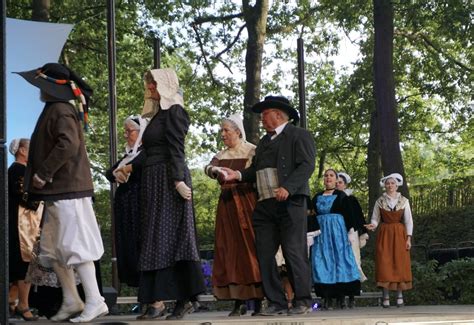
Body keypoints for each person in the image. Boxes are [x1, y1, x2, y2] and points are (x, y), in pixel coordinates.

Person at [16, 63, 108, 322]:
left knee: (76, 245)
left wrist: (44, 173)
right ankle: (72, 299)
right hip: (60, 192)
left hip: (68, 189)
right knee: (53, 249)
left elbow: (68, 144)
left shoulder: (60, 111)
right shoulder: (55, 109)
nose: (38, 91)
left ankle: (95, 300)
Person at [116, 68, 205, 320]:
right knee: (155, 239)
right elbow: (150, 151)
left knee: (173, 239)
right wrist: (130, 166)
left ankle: (182, 299)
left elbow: (176, 148)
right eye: (149, 85)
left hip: (168, 179)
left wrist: (178, 180)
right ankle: (158, 302)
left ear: (165, 86)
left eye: (154, 85)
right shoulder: (157, 116)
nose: (150, 89)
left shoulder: (175, 111)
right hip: (153, 181)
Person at [222, 95, 316, 315]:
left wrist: (288, 188)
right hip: (265, 204)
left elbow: (307, 165)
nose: (262, 119)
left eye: (265, 114)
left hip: (290, 202)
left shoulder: (299, 135)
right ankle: (276, 302)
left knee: (294, 251)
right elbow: (255, 170)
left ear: (278, 114)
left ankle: (302, 300)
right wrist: (236, 174)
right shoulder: (264, 142)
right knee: (264, 253)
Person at [203, 114, 263, 316]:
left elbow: (256, 173)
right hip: (227, 206)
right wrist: (214, 170)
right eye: (222, 130)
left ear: (238, 131)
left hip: (247, 203)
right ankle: (238, 301)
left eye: (226, 130)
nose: (223, 134)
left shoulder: (251, 150)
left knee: (251, 249)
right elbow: (208, 167)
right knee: (230, 250)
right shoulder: (221, 154)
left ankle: (259, 299)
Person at [105, 115, 147, 288]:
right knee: (127, 245)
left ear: (140, 133)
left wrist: (124, 171)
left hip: (138, 205)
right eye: (125, 131)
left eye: (129, 131)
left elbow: (139, 167)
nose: (126, 135)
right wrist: (116, 173)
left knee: (138, 244)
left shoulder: (144, 154)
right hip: (124, 206)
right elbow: (109, 173)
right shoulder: (128, 155)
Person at [310, 169, 361, 310]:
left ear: (335, 179)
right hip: (321, 235)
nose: (328, 178)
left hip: (337, 234)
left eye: (331, 176)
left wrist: (351, 233)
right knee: (322, 262)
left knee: (340, 262)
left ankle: (342, 297)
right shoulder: (316, 196)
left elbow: (349, 215)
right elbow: (311, 215)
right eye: (326, 176)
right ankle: (326, 297)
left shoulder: (342, 195)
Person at [365, 173, 413, 308]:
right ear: (384, 185)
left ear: (397, 185)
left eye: (392, 183)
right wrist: (373, 225)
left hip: (399, 233)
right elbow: (375, 218)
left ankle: (399, 296)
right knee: (384, 263)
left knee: (399, 262)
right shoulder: (380, 201)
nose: (390, 185)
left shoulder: (404, 201)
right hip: (385, 233)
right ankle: (385, 296)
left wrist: (408, 238)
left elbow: (409, 220)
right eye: (388, 183)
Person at [8, 138, 39, 321]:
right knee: (24, 264)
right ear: (21, 151)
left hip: (24, 224)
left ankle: (12, 300)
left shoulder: (19, 170)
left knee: (22, 264)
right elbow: (24, 196)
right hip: (22, 226)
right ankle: (23, 304)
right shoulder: (19, 171)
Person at [336, 172, 369, 308]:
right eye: (336, 182)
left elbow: (359, 218)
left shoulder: (350, 199)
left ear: (345, 184)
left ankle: (352, 296)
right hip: (336, 235)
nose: (338, 184)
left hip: (350, 234)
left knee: (352, 262)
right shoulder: (331, 198)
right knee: (338, 264)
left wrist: (363, 233)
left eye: (340, 182)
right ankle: (340, 297)